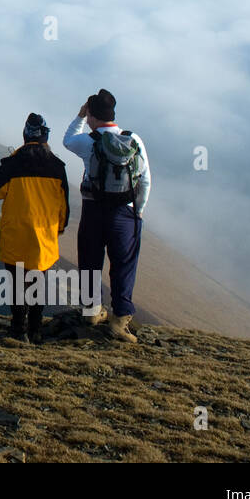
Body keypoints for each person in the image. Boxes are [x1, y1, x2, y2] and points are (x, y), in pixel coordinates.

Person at [63, 89, 151, 343]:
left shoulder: (88, 142)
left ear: (91, 114)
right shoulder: (133, 139)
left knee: (90, 260)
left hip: (93, 210)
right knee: (123, 265)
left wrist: (79, 116)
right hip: (126, 213)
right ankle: (120, 320)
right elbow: (145, 179)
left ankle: (91, 312)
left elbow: (68, 140)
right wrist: (139, 211)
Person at [0, 113, 70, 344]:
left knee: (16, 282)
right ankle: (35, 329)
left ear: (25, 135)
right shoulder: (57, 166)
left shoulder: (13, 163)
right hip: (44, 235)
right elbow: (64, 204)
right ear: (45, 136)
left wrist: (9, 159)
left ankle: (18, 329)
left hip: (15, 233)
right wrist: (59, 229)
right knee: (38, 280)